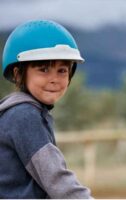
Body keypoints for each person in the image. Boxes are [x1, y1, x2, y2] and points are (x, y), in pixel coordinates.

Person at [0, 20, 93, 198]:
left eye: (62, 71)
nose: (54, 79)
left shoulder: (17, 113)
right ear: (18, 74)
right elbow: (57, 180)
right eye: (43, 69)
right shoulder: (24, 116)